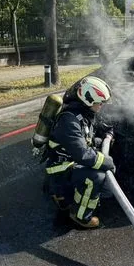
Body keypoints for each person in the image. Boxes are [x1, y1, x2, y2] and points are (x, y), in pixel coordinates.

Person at [45, 76, 115, 228]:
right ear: (89, 100)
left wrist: (108, 134)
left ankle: (62, 196)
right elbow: (82, 153)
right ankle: (81, 216)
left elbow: (90, 133)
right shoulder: (69, 120)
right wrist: (107, 162)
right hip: (61, 167)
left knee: (101, 180)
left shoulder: (82, 113)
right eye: (100, 103)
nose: (102, 106)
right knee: (96, 177)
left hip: (69, 162)